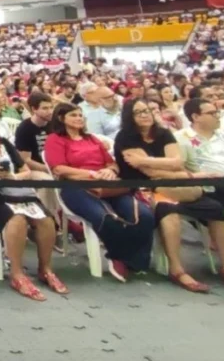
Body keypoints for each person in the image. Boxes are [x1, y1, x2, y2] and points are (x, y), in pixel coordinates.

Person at [114, 99, 224, 293]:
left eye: (147, 110)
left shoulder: (163, 133)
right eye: (139, 112)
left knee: (216, 210)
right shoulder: (125, 138)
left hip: (178, 185)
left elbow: (177, 161)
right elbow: (150, 173)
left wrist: (148, 161)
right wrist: (185, 173)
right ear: (130, 117)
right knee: (169, 212)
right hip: (147, 189)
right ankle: (177, 269)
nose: (145, 114)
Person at [0, 109, 66, 301]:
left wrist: (11, 176)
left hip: (14, 189)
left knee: (45, 219)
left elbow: (25, 171)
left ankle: (45, 269)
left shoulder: (5, 144)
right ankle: (17, 274)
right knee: (17, 219)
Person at [43, 103, 155, 281]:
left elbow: (112, 163)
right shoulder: (55, 139)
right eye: (73, 115)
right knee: (106, 218)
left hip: (108, 185)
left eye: (81, 115)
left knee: (145, 216)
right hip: (76, 187)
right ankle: (119, 256)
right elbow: (59, 169)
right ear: (61, 118)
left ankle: (132, 259)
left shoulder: (92, 139)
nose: (79, 118)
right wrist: (91, 174)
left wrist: (111, 171)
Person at [177, 98, 224, 209]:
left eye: (217, 112)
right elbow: (178, 168)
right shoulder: (181, 138)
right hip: (215, 185)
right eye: (212, 113)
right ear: (196, 117)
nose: (217, 116)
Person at [13, 92, 60, 225]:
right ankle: (50, 221)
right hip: (33, 169)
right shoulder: (25, 128)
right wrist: (49, 169)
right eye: (45, 108)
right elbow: (26, 160)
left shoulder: (54, 125)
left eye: (51, 107)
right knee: (47, 182)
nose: (50, 111)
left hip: (54, 166)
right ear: (34, 109)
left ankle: (69, 219)